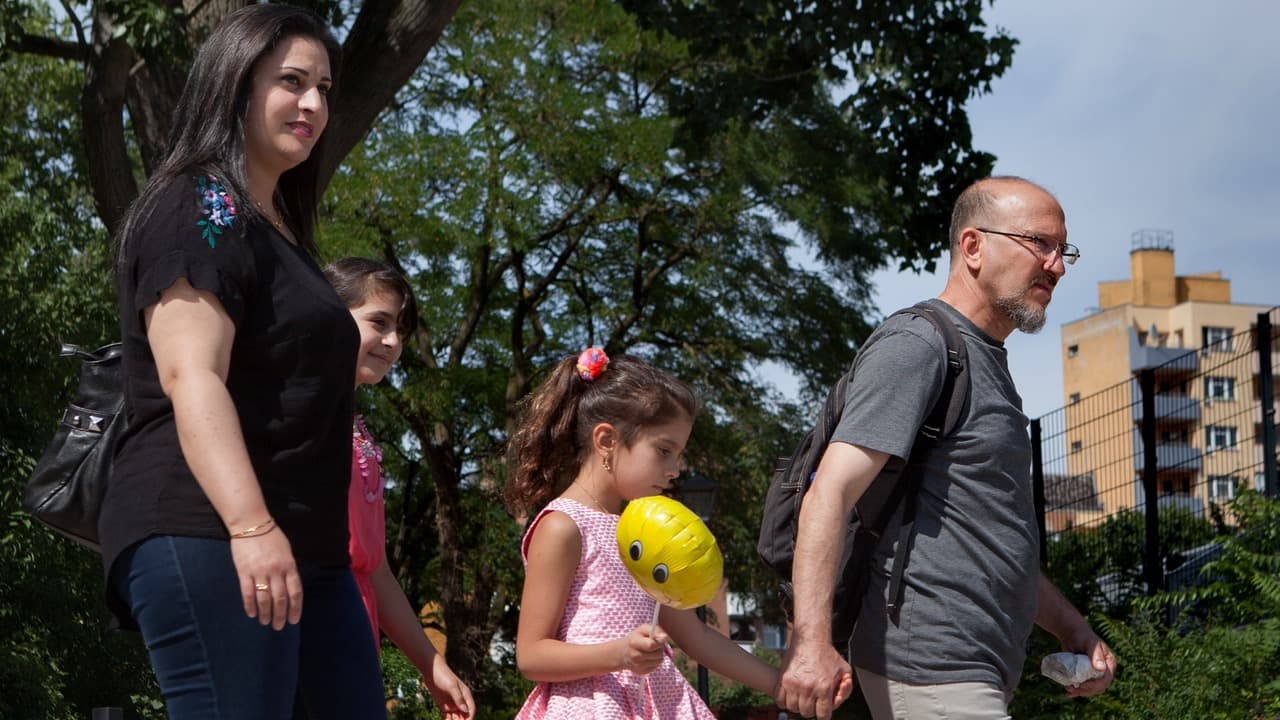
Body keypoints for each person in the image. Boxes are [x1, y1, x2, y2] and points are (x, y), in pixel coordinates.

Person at [103, 6, 386, 718]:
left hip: (309, 552)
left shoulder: (277, 226)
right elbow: (188, 374)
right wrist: (251, 527)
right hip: (213, 529)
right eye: (292, 81)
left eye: (324, 86)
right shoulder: (201, 203)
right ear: (235, 84)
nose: (315, 103)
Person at [777, 176, 1117, 720]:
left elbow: (995, 539)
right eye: (1039, 243)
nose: (1056, 266)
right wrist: (812, 645)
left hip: (972, 670)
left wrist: (1073, 628)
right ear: (973, 246)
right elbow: (830, 492)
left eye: (1062, 249)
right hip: (930, 664)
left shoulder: (989, 365)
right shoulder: (919, 345)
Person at [505, 349, 781, 719]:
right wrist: (619, 654)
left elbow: (697, 638)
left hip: (653, 703)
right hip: (593, 708)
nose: (674, 470)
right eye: (664, 451)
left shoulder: (645, 531)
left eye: (678, 455)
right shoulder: (562, 526)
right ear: (607, 441)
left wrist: (781, 685)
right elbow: (531, 655)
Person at [323, 257, 475, 719]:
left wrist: (432, 666)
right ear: (327, 313)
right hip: (309, 626)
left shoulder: (356, 429)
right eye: (379, 322)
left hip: (355, 629)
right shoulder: (297, 416)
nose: (393, 341)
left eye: (401, 330)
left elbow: (377, 570)